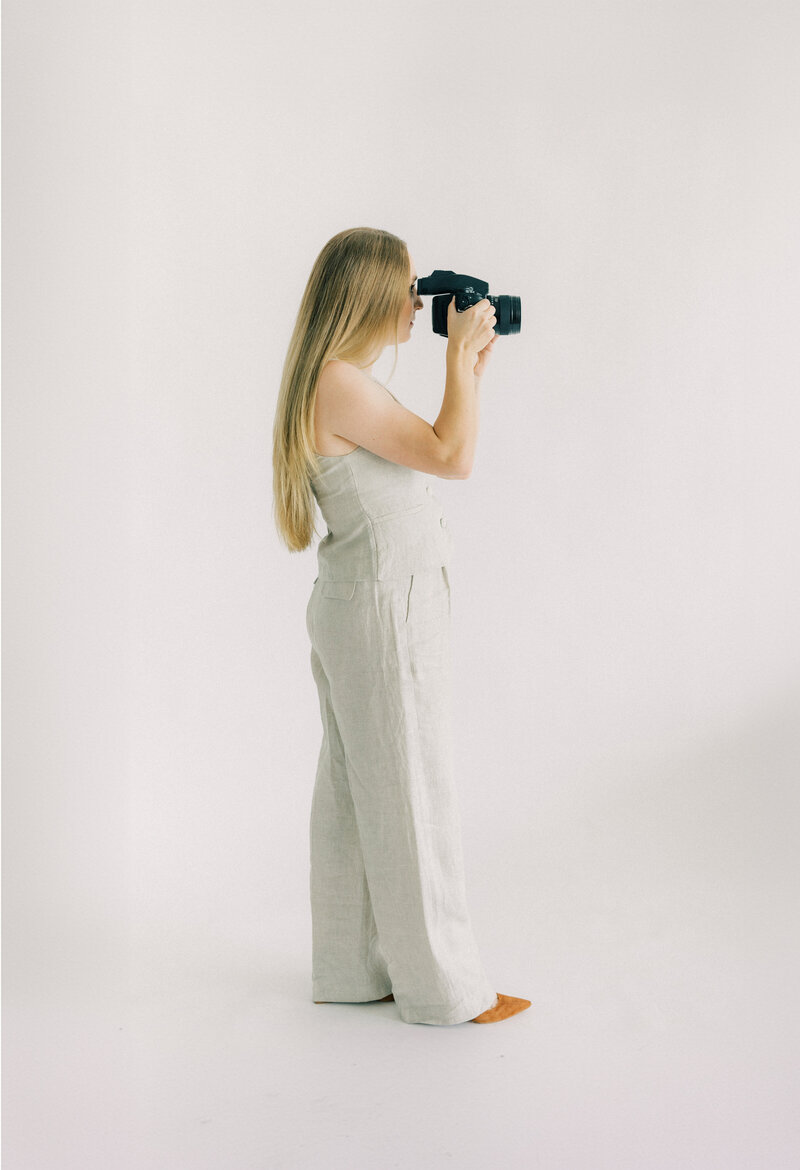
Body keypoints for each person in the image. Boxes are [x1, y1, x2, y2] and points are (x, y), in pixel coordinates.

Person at [272, 226, 530, 1025]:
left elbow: (437, 445)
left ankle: (350, 969)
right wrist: (459, 362)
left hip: (366, 601)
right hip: (385, 607)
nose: (418, 302)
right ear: (368, 293)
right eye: (408, 286)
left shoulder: (335, 381)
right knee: (412, 785)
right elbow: (453, 457)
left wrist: (470, 368)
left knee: (356, 790)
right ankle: (443, 991)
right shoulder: (342, 382)